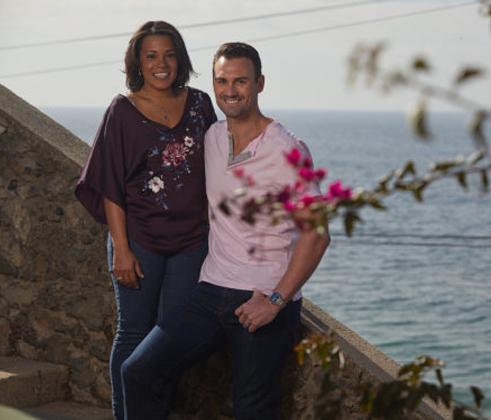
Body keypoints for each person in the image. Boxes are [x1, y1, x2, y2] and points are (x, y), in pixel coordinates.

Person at [121, 42, 331, 419]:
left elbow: (317, 235)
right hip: (209, 291)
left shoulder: (289, 150)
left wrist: (276, 301)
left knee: (252, 410)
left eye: (240, 81)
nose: (230, 90)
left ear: (259, 83)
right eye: (222, 81)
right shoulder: (213, 138)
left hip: (262, 297)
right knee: (139, 370)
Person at [74, 21, 216, 419]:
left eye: (169, 55)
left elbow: (221, 165)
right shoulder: (122, 111)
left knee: (168, 341)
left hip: (192, 242)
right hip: (138, 239)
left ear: (180, 59)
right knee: (133, 333)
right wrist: (121, 249)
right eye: (151, 56)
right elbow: (110, 185)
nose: (161, 64)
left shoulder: (201, 105)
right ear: (137, 62)